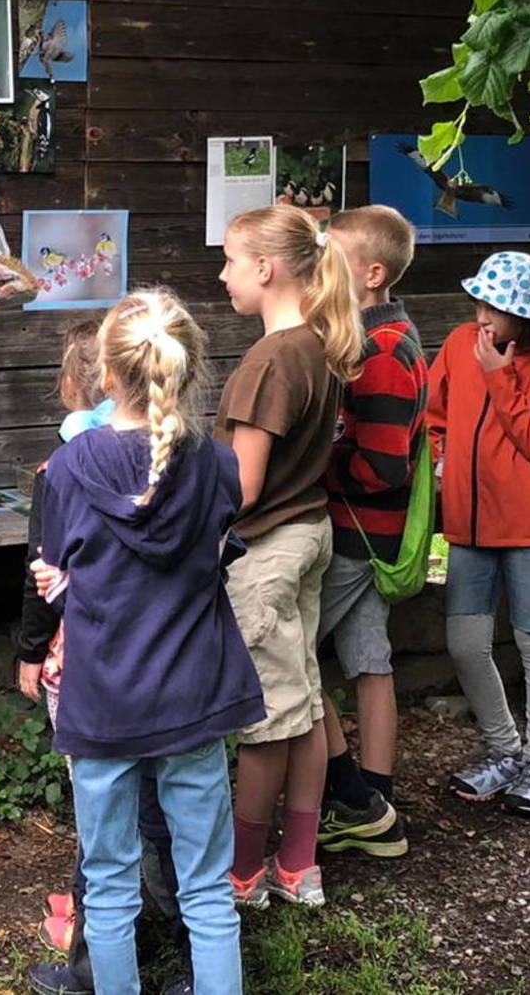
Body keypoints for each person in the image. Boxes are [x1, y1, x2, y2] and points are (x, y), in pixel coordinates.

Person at [35, 290, 265, 995]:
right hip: (192, 692)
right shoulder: (218, 464)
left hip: (101, 700)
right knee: (204, 887)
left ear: (106, 374)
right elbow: (206, 548)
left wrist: (64, 578)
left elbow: (59, 567)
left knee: (105, 885)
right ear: (192, 371)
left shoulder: (69, 468)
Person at [216, 204, 362, 907]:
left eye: (229, 261)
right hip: (310, 533)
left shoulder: (269, 356)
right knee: (303, 704)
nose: (222, 275)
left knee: (266, 719)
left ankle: (242, 875)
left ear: (265, 268)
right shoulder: (319, 342)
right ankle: (297, 864)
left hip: (266, 552)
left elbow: (239, 488)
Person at [315, 206, 428, 856]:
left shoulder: (382, 349)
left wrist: (324, 464)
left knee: (295, 658)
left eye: (331, 258)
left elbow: (382, 465)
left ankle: (353, 795)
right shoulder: (384, 334)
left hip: (357, 532)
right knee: (369, 661)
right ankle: (375, 800)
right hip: (372, 536)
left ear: (370, 272)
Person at [428, 250, 530, 816]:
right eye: (480, 303)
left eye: (497, 308)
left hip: (526, 527)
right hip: (466, 526)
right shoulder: (457, 345)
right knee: (465, 645)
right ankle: (503, 751)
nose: (484, 317)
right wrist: (441, 457)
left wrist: (500, 377)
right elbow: (434, 414)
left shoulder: (513, 362)